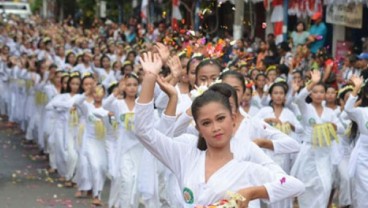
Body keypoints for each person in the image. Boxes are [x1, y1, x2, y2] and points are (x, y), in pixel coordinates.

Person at [134, 52, 305, 208]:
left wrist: (250, 193)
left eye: (221, 118)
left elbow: (294, 185)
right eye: (206, 123)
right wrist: (150, 77)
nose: (215, 128)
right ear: (198, 127)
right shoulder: (186, 154)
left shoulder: (247, 168)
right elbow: (145, 132)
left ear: (233, 118)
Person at [344, 75, 368, 208]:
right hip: (363, 158)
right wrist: (357, 88)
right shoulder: (362, 112)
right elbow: (348, 109)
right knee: (364, 192)